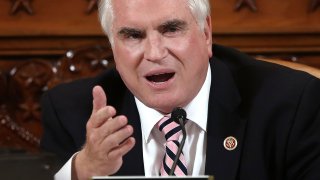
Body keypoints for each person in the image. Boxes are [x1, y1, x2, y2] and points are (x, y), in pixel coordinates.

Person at [40, 0, 320, 179]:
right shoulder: (72, 112)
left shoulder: (290, 103)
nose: (154, 52)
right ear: (113, 46)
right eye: (133, 35)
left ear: (206, 33)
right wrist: (84, 170)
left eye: (171, 29)